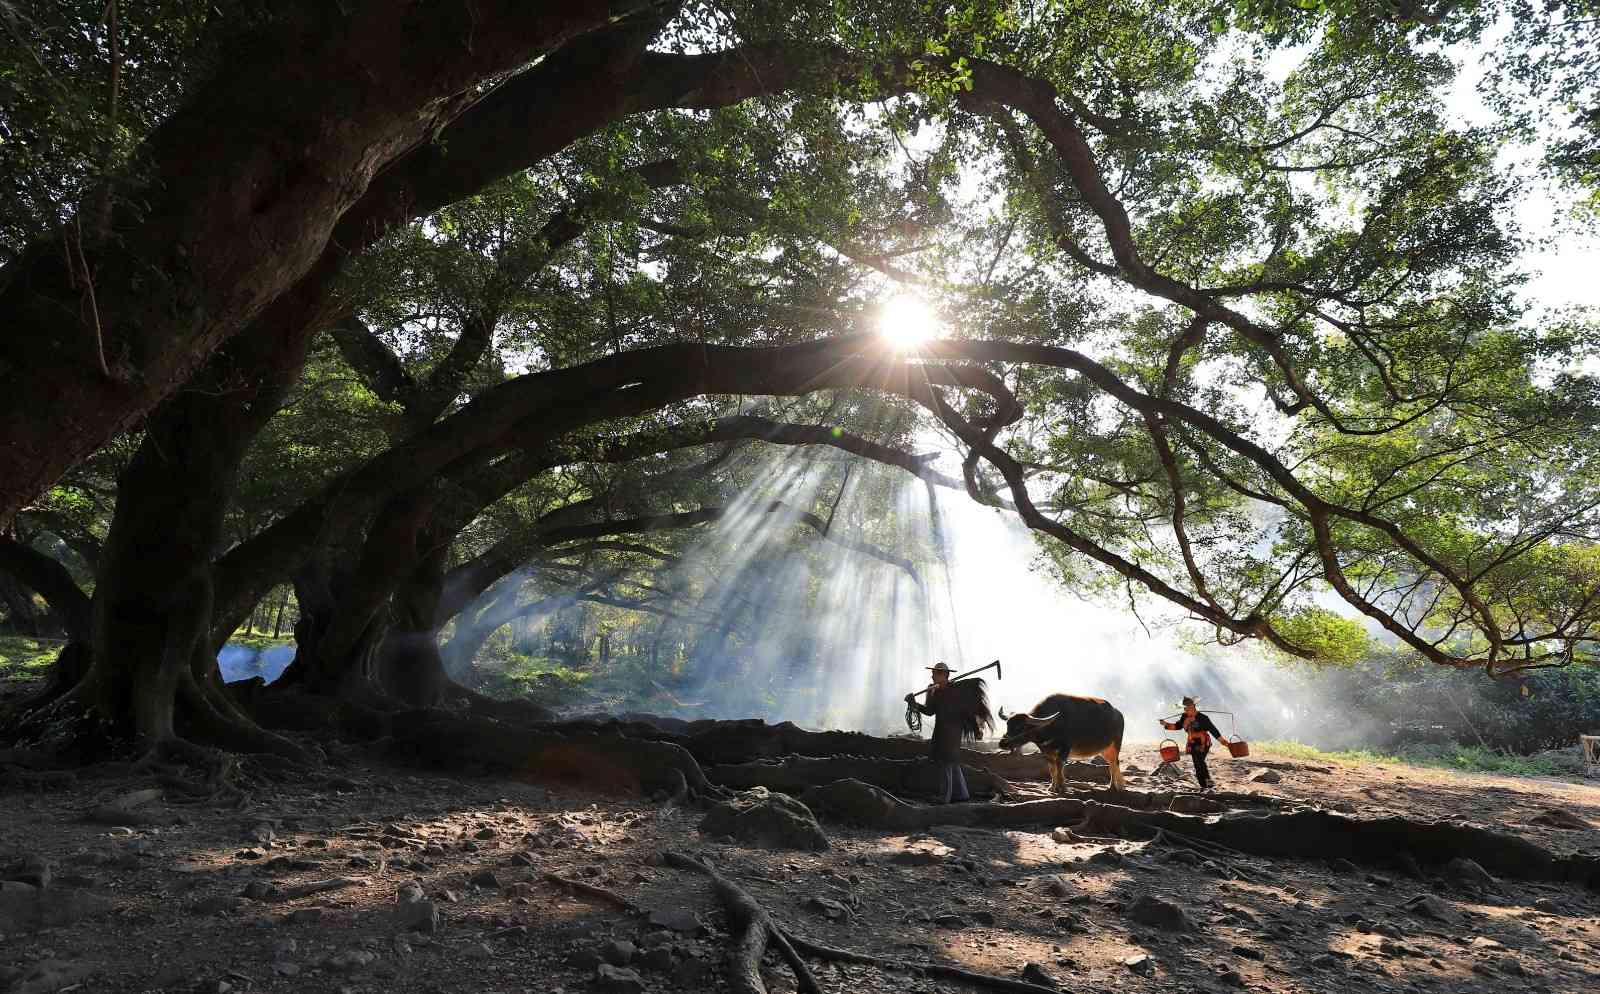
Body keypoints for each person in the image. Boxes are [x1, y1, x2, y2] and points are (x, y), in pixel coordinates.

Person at [905, 662, 992, 803]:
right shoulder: (934, 691)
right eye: (933, 673)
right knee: (952, 764)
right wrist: (913, 703)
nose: (932, 676)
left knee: (946, 763)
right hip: (941, 731)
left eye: (935, 673)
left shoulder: (955, 690)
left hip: (952, 732)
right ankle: (962, 795)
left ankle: (944, 797)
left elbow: (964, 710)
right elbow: (929, 711)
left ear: (944, 675)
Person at [1160, 696, 1230, 791]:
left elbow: (1213, 730)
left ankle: (1208, 782)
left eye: (1189, 707)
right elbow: (1178, 726)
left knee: (1200, 761)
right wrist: (1166, 724)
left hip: (1203, 742)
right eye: (1185, 708)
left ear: (1194, 706)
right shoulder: (1184, 716)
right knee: (1197, 764)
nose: (1187, 710)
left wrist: (1223, 741)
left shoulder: (1203, 718)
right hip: (1192, 742)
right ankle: (1203, 785)